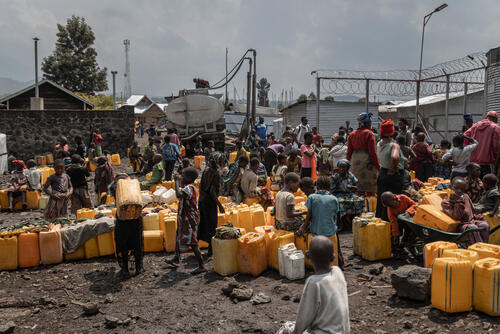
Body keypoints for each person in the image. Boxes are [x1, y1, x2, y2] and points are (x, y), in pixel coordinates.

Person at [281, 236, 349, 334]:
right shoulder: (338, 272)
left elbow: (303, 318)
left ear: (308, 256)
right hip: (343, 331)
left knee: (285, 328)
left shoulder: (314, 282)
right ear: (333, 257)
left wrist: (292, 332)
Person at [165, 167, 206, 275]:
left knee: (192, 242)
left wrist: (176, 182)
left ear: (188, 178)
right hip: (185, 218)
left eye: (183, 176)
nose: (181, 178)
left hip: (189, 219)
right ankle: (176, 259)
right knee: (179, 235)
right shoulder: (190, 187)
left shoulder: (189, 188)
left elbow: (178, 194)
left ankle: (202, 265)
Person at [112, 174, 144, 278]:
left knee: (122, 243)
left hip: (122, 219)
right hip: (136, 218)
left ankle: (125, 269)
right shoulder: (133, 187)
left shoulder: (115, 188)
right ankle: (139, 267)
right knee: (137, 241)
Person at [441, 177, 490, 243]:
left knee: (484, 225)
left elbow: (471, 211)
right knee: (472, 228)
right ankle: (480, 247)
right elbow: (456, 216)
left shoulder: (466, 196)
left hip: (471, 222)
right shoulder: (446, 202)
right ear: (451, 187)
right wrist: (458, 201)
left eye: (462, 189)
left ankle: (486, 246)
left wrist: (478, 217)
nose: (459, 191)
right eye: (456, 188)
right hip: (460, 225)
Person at [376, 120, 404, 221]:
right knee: (393, 202)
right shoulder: (394, 145)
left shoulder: (379, 144)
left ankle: (381, 222)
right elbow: (395, 157)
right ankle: (392, 225)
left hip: (382, 173)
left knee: (382, 200)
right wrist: (394, 168)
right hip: (393, 176)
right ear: (391, 132)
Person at [198, 156, 225, 257]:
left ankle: (196, 247)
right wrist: (219, 205)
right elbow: (212, 191)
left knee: (202, 223)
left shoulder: (206, 170)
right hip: (209, 202)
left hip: (202, 200)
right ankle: (210, 251)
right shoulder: (215, 173)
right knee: (211, 225)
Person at [347, 112, 380, 193]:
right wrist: (378, 166)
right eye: (370, 123)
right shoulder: (369, 134)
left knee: (356, 189)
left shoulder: (351, 134)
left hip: (354, 165)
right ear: (367, 123)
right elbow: (373, 154)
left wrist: (348, 166)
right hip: (367, 166)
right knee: (368, 192)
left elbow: (348, 154)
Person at [464, 110, 500, 177]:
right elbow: (495, 147)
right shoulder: (496, 127)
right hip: (487, 163)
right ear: (495, 119)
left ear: (487, 117)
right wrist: (496, 160)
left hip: (473, 162)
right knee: (487, 183)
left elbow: (465, 136)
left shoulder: (475, 126)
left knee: (475, 183)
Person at [331, 160, 365, 227]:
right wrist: (342, 190)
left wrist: (352, 187)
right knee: (341, 202)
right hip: (339, 195)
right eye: (340, 167)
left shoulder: (351, 176)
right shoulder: (335, 177)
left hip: (350, 194)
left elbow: (356, 187)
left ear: (347, 168)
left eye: (343, 167)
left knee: (359, 200)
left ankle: (356, 220)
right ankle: (341, 222)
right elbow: (332, 190)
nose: (341, 169)